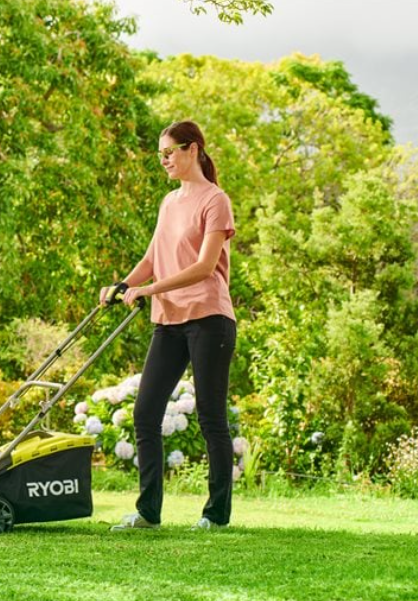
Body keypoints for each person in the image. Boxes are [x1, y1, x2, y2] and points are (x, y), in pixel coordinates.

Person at [102, 120, 237, 531]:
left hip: (209, 318)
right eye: (159, 154)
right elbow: (151, 258)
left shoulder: (215, 200)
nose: (163, 160)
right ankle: (148, 512)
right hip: (169, 320)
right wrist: (124, 285)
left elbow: (204, 266)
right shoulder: (168, 202)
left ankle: (215, 515)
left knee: (211, 417)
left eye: (169, 152)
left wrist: (148, 290)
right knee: (145, 412)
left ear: (192, 150)